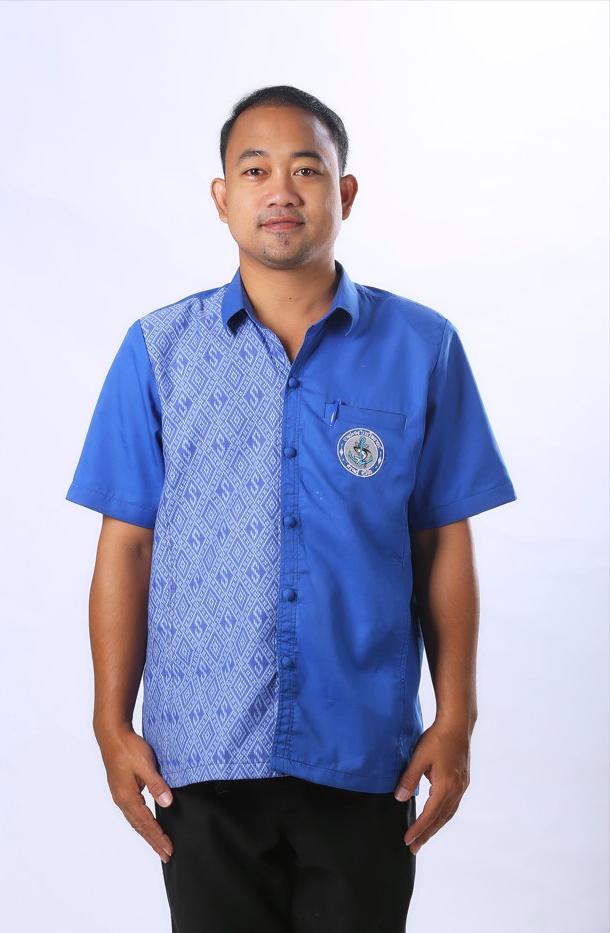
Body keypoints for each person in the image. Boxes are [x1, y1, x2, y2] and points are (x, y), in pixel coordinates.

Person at [67, 85, 516, 932]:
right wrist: (109, 721)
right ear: (222, 196)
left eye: (306, 170)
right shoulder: (158, 352)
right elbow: (126, 546)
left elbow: (441, 542)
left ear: (344, 192)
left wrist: (456, 715)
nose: (281, 190)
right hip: (200, 753)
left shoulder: (421, 347)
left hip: (365, 750)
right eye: (255, 170)